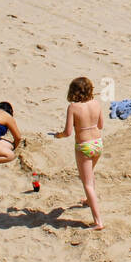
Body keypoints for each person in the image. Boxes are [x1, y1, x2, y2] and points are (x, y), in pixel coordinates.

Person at [53, 77, 105, 230]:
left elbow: (68, 132)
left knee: (87, 183)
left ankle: (98, 222)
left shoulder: (73, 107)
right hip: (98, 144)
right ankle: (89, 201)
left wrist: (58, 135)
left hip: (84, 146)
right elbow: (100, 125)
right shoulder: (96, 103)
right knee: (90, 175)